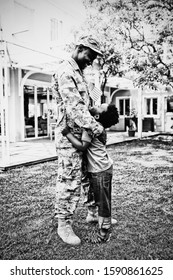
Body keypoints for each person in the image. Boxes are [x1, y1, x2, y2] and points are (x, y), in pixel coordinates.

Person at [52, 35, 104, 246]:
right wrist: (97, 127)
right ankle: (63, 223)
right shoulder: (66, 71)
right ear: (79, 48)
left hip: (84, 134)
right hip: (69, 137)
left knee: (89, 177)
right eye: (89, 56)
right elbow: (75, 107)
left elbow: (86, 104)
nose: (90, 61)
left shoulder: (80, 74)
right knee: (69, 180)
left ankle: (92, 212)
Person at [62, 103, 119, 243]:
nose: (96, 104)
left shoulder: (92, 128)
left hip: (100, 171)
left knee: (103, 202)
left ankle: (103, 233)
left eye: (100, 106)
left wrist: (67, 134)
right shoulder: (98, 127)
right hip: (102, 169)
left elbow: (82, 146)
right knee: (100, 199)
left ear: (97, 116)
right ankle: (98, 221)